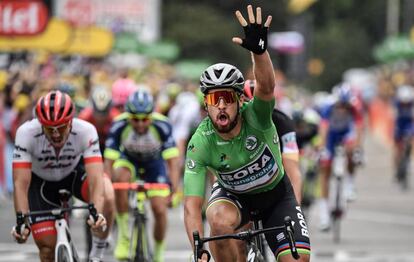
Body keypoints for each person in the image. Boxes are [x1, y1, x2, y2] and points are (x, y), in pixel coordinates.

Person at [183, 5, 311, 262]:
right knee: (217, 220)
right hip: (234, 198)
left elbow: (266, 86)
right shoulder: (201, 141)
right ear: (205, 105)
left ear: (240, 101)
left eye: (227, 98)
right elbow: (191, 206)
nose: (221, 106)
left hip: (275, 196)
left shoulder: (258, 116)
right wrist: (200, 251)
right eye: (213, 99)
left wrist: (259, 52)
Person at [11, 90, 115, 262]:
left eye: (61, 127)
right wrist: (21, 220)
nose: (56, 134)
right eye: (50, 129)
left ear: (70, 122)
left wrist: (96, 212)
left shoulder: (86, 130)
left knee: (108, 194)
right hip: (40, 182)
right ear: (40, 123)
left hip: (73, 174)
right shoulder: (26, 133)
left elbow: (96, 178)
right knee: (46, 249)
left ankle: (97, 254)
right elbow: (20, 183)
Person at [104, 89, 180, 262]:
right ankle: (124, 236)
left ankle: (159, 252)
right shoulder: (119, 124)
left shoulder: (163, 125)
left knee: (159, 209)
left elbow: (173, 162)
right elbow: (108, 162)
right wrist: (107, 187)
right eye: (135, 120)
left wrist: (174, 191)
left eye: (145, 119)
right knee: (119, 178)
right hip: (129, 161)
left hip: (154, 165)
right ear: (127, 116)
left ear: (151, 116)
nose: (139, 124)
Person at [244, 79, 303, 203]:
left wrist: (296, 207)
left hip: (275, 172)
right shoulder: (236, 123)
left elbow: (293, 170)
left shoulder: (284, 122)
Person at [317, 82, 364, 231]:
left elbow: (359, 129)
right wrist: (323, 148)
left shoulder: (355, 107)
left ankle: (350, 184)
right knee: (325, 169)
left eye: (346, 107)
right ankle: (324, 215)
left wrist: (357, 149)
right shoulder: (328, 107)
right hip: (331, 135)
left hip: (346, 133)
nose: (343, 109)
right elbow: (323, 129)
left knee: (351, 150)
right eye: (340, 106)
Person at [78, 86, 121, 155]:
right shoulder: (84, 118)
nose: (100, 117)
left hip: (109, 147)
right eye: (98, 112)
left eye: (104, 113)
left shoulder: (116, 119)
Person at [392, 84, 414, 186]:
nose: (405, 104)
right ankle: (396, 169)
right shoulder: (396, 104)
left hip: (409, 124)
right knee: (397, 149)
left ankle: (408, 159)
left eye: (407, 102)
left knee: (410, 141)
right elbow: (393, 118)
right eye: (403, 102)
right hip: (399, 125)